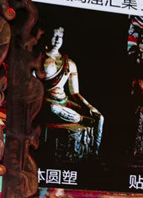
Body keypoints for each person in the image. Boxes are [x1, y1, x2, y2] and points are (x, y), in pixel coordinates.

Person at [42, 26, 104, 156]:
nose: (57, 40)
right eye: (54, 36)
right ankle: (81, 119)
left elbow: (75, 92)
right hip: (46, 101)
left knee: (99, 118)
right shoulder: (39, 59)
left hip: (64, 101)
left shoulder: (69, 63)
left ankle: (95, 152)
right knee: (54, 108)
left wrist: (89, 106)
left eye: (60, 37)